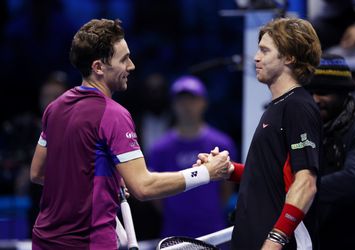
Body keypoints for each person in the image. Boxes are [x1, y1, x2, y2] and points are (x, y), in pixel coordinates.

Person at [29, 18, 232, 249]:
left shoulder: (55, 108)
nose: (131, 66)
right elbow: (143, 187)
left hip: (44, 241)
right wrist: (206, 173)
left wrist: (104, 183)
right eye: (124, 59)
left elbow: (38, 172)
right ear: (98, 67)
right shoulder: (113, 114)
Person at [197, 17, 322, 249]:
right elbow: (269, 177)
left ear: (288, 57)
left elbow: (306, 184)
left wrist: (275, 240)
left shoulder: (297, 106)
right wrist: (229, 170)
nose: (256, 57)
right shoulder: (279, 106)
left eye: (265, 51)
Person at [147, 75, 238, 238]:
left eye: (192, 100)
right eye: (181, 101)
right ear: (173, 105)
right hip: (174, 232)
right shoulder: (159, 148)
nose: (187, 106)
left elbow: (227, 188)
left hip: (213, 230)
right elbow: (155, 194)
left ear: (204, 103)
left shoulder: (222, 143)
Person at [304, 54, 355, 250]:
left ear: (342, 94)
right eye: (312, 92)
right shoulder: (305, 129)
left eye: (323, 92)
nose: (315, 100)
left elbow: (354, 179)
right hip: (314, 239)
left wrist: (299, 192)